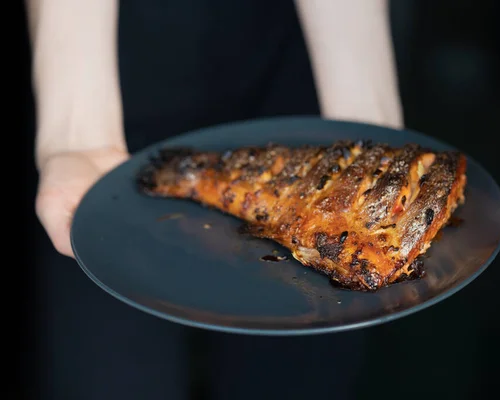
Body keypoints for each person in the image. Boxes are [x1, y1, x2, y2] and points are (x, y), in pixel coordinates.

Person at [26, 0, 404, 398]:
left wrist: (364, 121)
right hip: (110, 77)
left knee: (297, 376)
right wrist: (76, 138)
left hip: (295, 76)